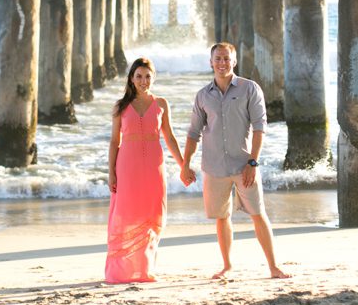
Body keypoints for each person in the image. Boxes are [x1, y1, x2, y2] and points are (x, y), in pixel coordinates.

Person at [180, 42, 291, 279]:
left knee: (258, 213)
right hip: (214, 167)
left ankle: (273, 267)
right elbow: (193, 133)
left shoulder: (250, 89)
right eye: (218, 59)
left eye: (226, 59)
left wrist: (253, 162)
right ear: (211, 62)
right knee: (222, 217)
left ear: (234, 61)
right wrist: (185, 164)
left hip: (244, 166)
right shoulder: (202, 96)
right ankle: (227, 266)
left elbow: (260, 128)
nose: (222, 63)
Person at [105, 57, 184, 283]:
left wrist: (183, 165)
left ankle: (144, 269)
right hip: (127, 166)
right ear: (131, 78)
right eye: (138, 76)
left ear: (154, 78)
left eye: (148, 76)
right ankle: (121, 272)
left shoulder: (161, 104)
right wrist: (111, 172)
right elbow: (114, 142)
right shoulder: (120, 106)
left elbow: (169, 137)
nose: (143, 81)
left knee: (151, 214)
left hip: (153, 166)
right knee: (127, 213)